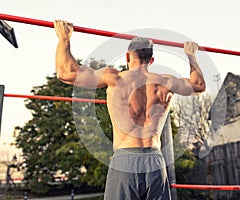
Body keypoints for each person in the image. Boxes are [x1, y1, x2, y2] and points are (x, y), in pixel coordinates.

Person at [54, 20, 206, 200]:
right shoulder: (165, 82)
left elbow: (65, 72)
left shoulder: (115, 78)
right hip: (155, 161)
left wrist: (64, 38)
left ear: (127, 57)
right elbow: (198, 85)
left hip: (125, 160)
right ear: (151, 60)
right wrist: (191, 55)